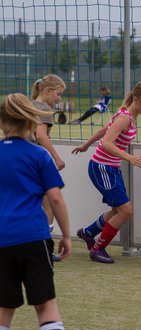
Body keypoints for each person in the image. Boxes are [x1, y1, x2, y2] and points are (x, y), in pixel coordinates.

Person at [0, 93, 71, 330]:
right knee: (45, 304)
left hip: (2, 239)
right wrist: (65, 235)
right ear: (31, 122)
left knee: (4, 308)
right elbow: (54, 198)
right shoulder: (39, 155)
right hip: (33, 237)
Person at [72, 82, 141, 264]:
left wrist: (86, 144)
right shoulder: (125, 118)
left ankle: (88, 233)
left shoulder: (128, 115)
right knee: (126, 211)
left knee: (118, 211)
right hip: (102, 167)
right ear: (136, 99)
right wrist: (129, 157)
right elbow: (107, 143)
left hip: (111, 168)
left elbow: (105, 131)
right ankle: (98, 249)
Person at [32, 74, 66, 234]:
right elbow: (41, 135)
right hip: (35, 162)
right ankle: (45, 244)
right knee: (49, 204)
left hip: (20, 161)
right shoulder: (45, 109)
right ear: (47, 91)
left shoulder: (29, 104)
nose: (59, 99)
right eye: (58, 94)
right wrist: (57, 157)